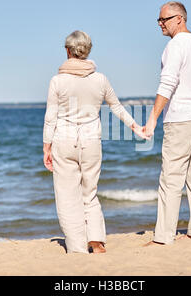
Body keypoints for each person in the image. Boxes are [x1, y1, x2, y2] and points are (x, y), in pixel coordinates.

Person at [43, 30, 148, 254]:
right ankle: (97, 242)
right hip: (91, 142)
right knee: (89, 193)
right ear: (88, 50)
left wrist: (46, 147)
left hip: (64, 140)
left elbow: (50, 117)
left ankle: (77, 247)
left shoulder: (57, 81)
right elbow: (117, 107)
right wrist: (136, 127)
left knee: (67, 197)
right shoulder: (100, 79)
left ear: (67, 51)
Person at [144, 1, 191, 245]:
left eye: (164, 19)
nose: (160, 24)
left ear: (179, 19)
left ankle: (163, 237)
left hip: (181, 118)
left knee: (171, 179)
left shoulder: (175, 46)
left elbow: (167, 84)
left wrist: (152, 119)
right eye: (158, 20)